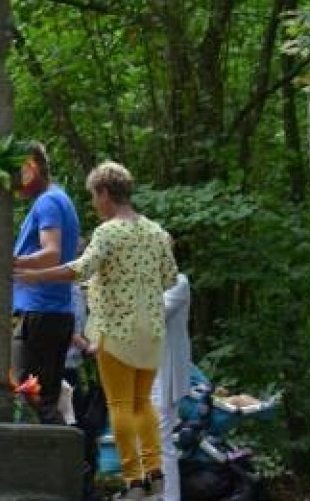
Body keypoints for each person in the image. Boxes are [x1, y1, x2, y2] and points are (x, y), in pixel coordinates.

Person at [15, 161, 178, 501]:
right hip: (151, 331)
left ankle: (134, 481)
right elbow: (170, 279)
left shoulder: (107, 232)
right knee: (142, 403)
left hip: (115, 331)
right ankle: (155, 472)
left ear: (105, 192)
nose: (93, 204)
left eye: (94, 196)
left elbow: (80, 269)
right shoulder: (157, 232)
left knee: (120, 404)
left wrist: (36, 276)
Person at [11, 142, 81, 424]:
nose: (15, 186)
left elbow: (51, 253)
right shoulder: (60, 198)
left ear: (33, 168)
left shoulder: (48, 202)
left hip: (39, 313)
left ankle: (62, 449)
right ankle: (62, 448)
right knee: (45, 399)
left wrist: (12, 262)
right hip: (54, 313)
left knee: (31, 397)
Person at [150, 264, 191, 501]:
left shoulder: (178, 282)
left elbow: (156, 315)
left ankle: (170, 497)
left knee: (160, 439)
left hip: (165, 373)